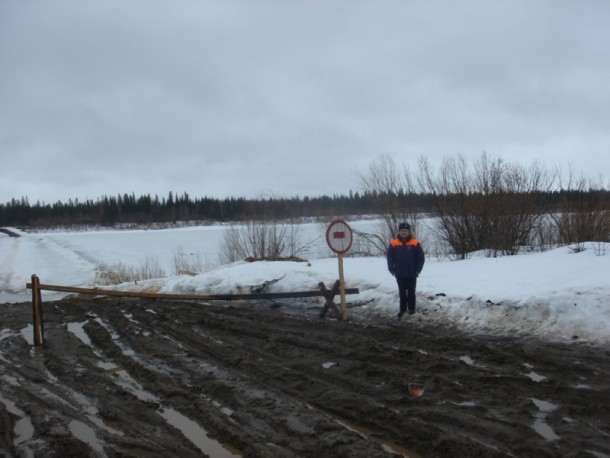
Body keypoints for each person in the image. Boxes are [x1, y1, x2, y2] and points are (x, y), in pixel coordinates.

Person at [386, 222, 425, 319]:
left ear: (409, 232)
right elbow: (389, 257)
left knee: (411, 292)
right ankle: (402, 309)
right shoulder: (394, 243)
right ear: (399, 232)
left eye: (405, 231)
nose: (404, 233)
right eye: (402, 231)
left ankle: (411, 309)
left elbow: (421, 258)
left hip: (412, 273)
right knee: (402, 293)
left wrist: (418, 269)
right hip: (399, 273)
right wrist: (391, 268)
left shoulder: (415, 243)